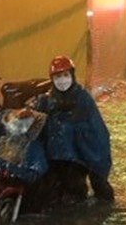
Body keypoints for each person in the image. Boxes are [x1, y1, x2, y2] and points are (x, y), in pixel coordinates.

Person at [35, 55, 115, 203]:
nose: (62, 80)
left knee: (73, 192)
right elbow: (36, 116)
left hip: (76, 157)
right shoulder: (48, 99)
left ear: (72, 75)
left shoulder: (83, 98)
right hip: (53, 156)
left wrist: (73, 130)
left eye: (66, 75)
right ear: (52, 79)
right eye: (58, 76)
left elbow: (95, 129)